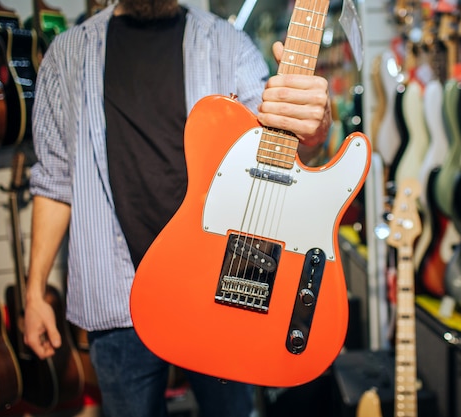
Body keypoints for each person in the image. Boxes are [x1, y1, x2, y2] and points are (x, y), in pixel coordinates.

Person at [22, 1, 332, 416]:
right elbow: (54, 181)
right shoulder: (66, 55)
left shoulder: (227, 44)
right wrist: (34, 290)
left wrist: (315, 122)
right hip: (117, 297)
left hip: (221, 294)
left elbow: (285, 144)